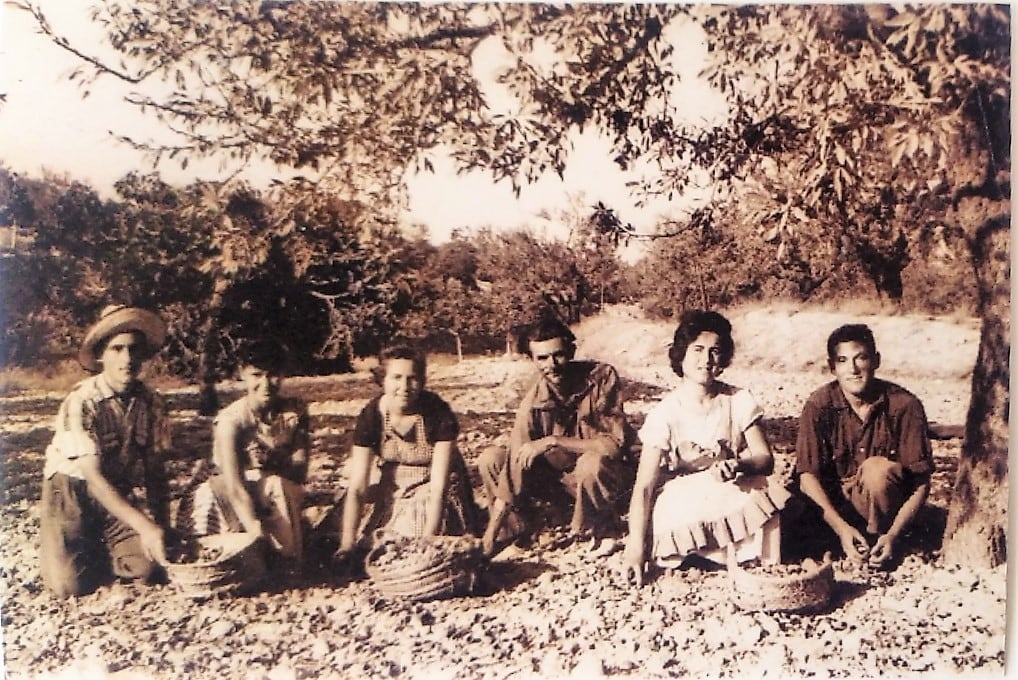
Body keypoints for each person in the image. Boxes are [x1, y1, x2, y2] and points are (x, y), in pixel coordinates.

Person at [621, 310, 790, 586]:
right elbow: (644, 486)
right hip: (685, 495)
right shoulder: (664, 413)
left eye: (715, 351)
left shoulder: (739, 399)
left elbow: (765, 458)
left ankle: (744, 557)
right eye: (698, 350)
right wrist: (635, 549)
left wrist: (739, 465)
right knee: (680, 499)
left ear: (723, 358)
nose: (706, 360)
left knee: (762, 487)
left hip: (731, 485)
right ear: (681, 355)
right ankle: (699, 554)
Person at [39, 305, 172, 597]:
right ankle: (75, 545)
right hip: (71, 490)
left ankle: (106, 548)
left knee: (149, 568)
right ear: (101, 356)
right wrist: (145, 527)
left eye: (134, 350)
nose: (127, 359)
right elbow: (93, 479)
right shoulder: (83, 401)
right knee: (68, 588)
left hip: (116, 490)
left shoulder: (152, 402)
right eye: (117, 349)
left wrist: (162, 527)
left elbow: (155, 471)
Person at [479, 317, 635, 557]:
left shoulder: (601, 377)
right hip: (562, 483)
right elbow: (514, 468)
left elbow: (613, 446)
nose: (552, 364)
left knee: (591, 463)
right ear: (532, 360)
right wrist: (490, 535)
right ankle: (520, 532)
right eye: (542, 358)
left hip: (610, 478)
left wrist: (554, 440)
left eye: (558, 355)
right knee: (492, 458)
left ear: (571, 350)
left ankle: (603, 528)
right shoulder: (532, 403)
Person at [795, 323, 933, 567]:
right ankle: (845, 542)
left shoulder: (904, 405)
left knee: (877, 471)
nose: (853, 369)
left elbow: (921, 483)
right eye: (843, 360)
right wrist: (841, 528)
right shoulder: (819, 405)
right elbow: (807, 477)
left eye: (861, 358)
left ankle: (880, 544)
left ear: (876, 360)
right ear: (832, 367)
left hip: (885, 511)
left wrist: (893, 535)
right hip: (834, 511)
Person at [335, 344, 480, 561]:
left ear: (421, 381)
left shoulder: (437, 413)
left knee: (408, 542)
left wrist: (428, 540)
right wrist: (346, 545)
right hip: (393, 483)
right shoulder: (372, 415)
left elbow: (439, 487)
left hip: (433, 487)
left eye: (412, 378)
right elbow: (358, 485)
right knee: (342, 526)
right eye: (396, 378)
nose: (404, 386)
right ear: (383, 379)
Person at [189, 337, 308, 566]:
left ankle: (287, 557)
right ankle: (264, 552)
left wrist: (269, 464)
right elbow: (234, 486)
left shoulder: (294, 411)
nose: (266, 383)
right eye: (257, 375)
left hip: (267, 487)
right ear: (243, 374)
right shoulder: (231, 421)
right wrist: (256, 532)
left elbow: (300, 469)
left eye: (273, 375)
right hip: (224, 491)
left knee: (277, 485)